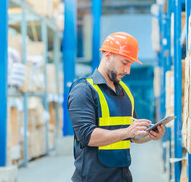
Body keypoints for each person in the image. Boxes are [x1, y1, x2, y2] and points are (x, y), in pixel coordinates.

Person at [67, 32, 165, 182]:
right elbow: (87, 136)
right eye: (124, 63)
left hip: (122, 177)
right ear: (107, 56)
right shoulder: (83, 90)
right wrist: (127, 131)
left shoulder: (125, 92)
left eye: (130, 64)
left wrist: (149, 135)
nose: (128, 70)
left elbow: (132, 135)